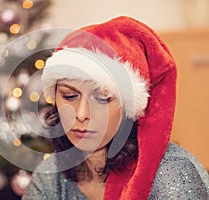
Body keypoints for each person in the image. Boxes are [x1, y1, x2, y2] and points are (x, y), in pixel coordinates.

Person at [22, 16, 209, 200]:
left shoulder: (172, 173)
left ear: (129, 108)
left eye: (101, 99)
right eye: (70, 96)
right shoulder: (50, 175)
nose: (81, 114)